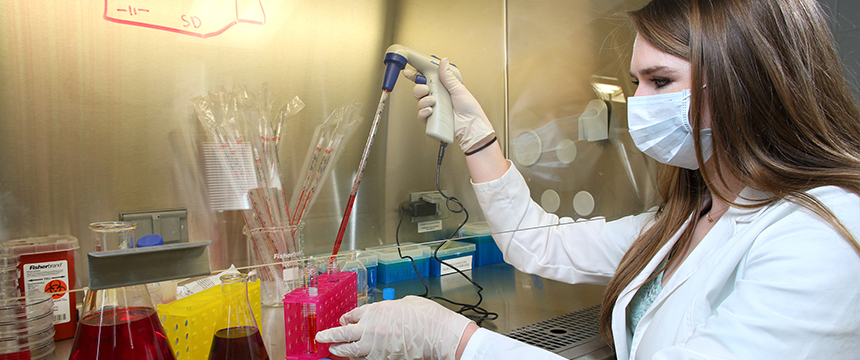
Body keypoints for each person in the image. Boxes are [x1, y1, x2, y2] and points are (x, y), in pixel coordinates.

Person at [316, 0, 860, 358]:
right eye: (635, 82)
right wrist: (478, 142)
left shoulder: (823, 235)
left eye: (660, 80)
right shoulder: (692, 217)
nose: (636, 102)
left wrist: (456, 342)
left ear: (748, 83)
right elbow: (542, 244)